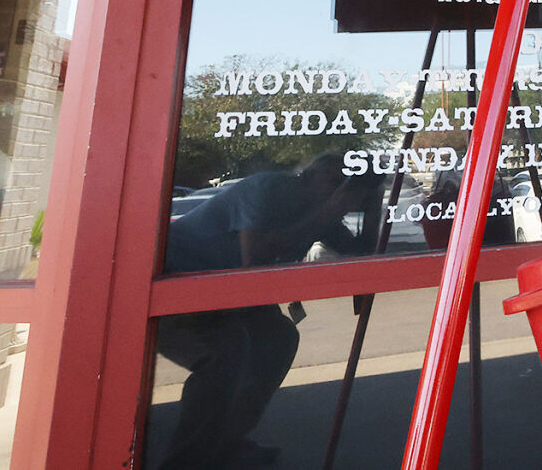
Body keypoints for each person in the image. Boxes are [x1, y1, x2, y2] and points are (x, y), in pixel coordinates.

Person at [157, 154, 378, 469]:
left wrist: (372, 208)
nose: (338, 191)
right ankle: (187, 460)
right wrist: (332, 208)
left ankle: (228, 441)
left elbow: (361, 252)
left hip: (231, 293)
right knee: (225, 352)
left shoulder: (319, 211)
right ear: (309, 174)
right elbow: (255, 257)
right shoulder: (267, 189)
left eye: (350, 186)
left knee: (279, 338)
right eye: (334, 181)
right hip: (178, 280)